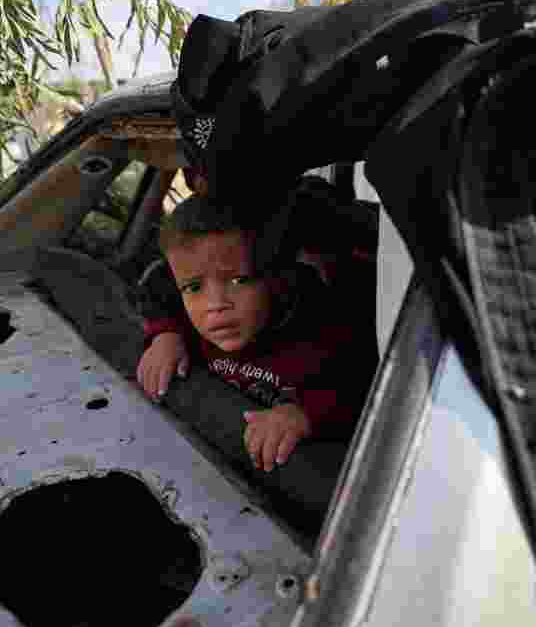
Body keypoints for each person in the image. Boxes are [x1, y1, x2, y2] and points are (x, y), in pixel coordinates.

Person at [135, 191, 375, 474]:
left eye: (238, 280)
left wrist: (304, 414)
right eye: (194, 287)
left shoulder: (323, 331)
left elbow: (361, 387)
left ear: (278, 276)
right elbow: (156, 291)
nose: (215, 306)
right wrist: (165, 337)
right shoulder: (187, 319)